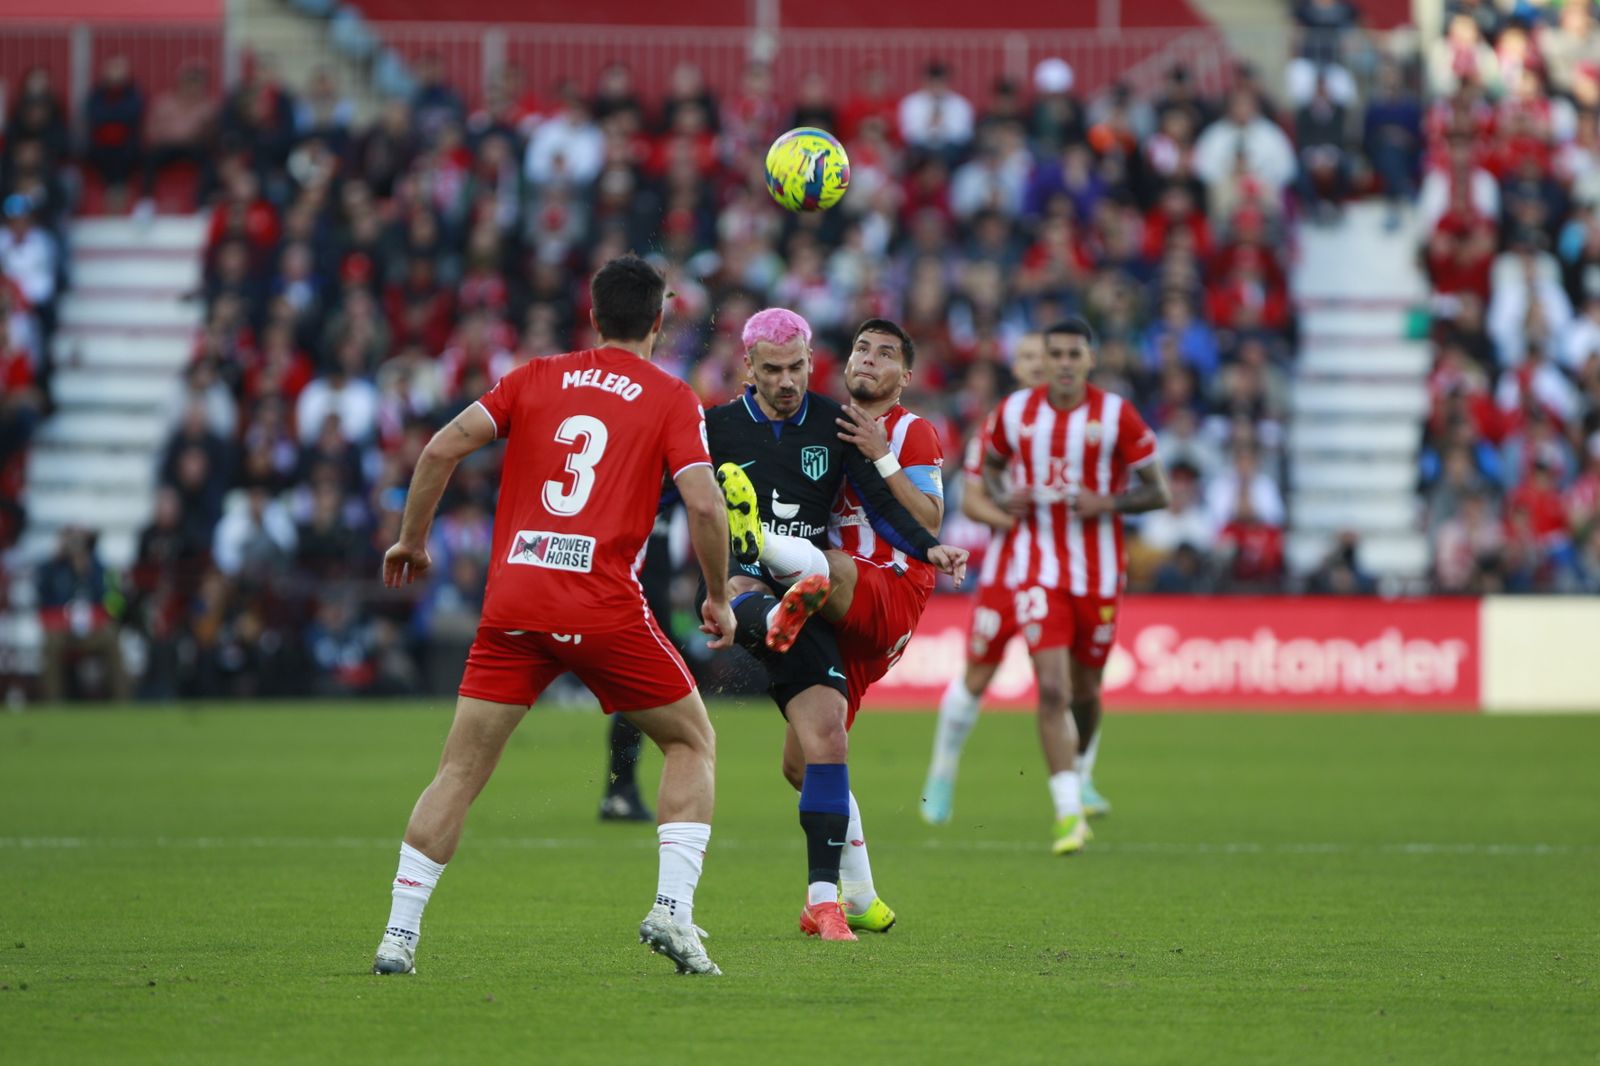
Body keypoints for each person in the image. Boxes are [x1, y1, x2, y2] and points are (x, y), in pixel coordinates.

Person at [370, 255, 736, 977]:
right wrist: (718, 594)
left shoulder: (534, 377)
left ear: (593, 317)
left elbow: (440, 448)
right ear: (659, 322)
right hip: (602, 607)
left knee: (458, 770)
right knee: (692, 741)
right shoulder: (671, 397)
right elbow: (703, 503)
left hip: (516, 602)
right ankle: (672, 910)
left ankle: (397, 936)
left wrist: (412, 540)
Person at [704, 308, 967, 942]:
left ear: (905, 376)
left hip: (886, 588)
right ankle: (858, 896)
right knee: (807, 761)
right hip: (826, 608)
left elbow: (929, 519)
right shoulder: (828, 423)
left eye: (885, 354)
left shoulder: (910, 431)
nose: (869, 359)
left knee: (832, 566)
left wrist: (883, 459)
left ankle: (757, 545)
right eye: (861, 349)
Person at [920, 319, 1171, 855]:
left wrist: (1103, 503)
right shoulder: (1009, 417)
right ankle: (950, 777)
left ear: (1087, 359)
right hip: (1019, 571)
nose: (1051, 365)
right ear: (1021, 366)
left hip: (1096, 574)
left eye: (1063, 355)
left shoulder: (1110, 415)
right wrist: (1011, 513)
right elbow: (974, 493)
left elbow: (1157, 490)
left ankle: (1081, 776)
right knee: (1002, 679)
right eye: (1039, 356)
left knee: (1084, 688)